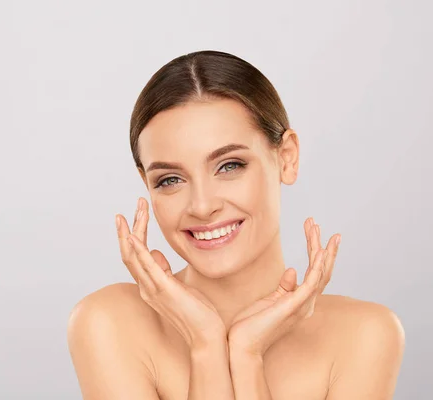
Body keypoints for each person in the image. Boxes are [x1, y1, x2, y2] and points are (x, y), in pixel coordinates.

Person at [67, 50, 405, 399]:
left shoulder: (365, 335)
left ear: (286, 157)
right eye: (170, 179)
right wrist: (206, 343)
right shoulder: (108, 322)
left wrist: (246, 354)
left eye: (229, 166)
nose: (202, 206)